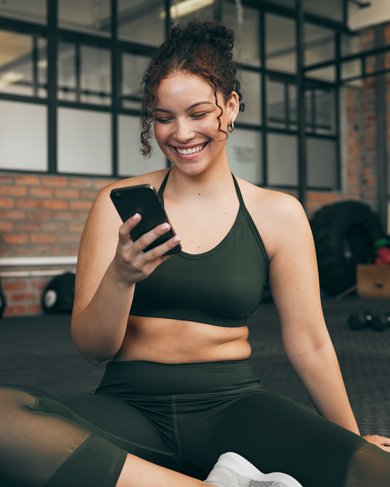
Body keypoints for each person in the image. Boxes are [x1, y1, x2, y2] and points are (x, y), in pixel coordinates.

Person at [0, 19, 390, 487]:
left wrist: (347, 440)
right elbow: (92, 348)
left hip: (235, 407)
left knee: (374, 472)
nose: (181, 134)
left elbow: (310, 343)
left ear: (230, 107)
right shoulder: (113, 204)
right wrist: (121, 276)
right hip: (128, 410)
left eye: (198, 113)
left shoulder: (278, 214)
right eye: (164, 118)